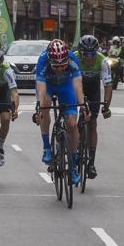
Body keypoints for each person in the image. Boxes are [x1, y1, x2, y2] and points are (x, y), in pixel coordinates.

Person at [35, 39, 89, 185]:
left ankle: (72, 167)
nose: (59, 68)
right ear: (50, 60)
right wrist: (40, 108)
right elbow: (41, 89)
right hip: (48, 86)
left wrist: (83, 105)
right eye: (56, 66)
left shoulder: (72, 59)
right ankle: (47, 148)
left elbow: (78, 87)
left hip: (66, 87)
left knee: (72, 124)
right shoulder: (42, 60)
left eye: (62, 65)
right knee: (45, 105)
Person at [74, 35, 113, 179]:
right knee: (73, 120)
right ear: (81, 52)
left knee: (92, 124)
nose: (89, 57)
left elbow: (108, 85)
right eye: (86, 54)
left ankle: (91, 162)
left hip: (93, 90)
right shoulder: (74, 58)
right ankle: (73, 147)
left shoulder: (102, 61)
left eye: (92, 53)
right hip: (77, 86)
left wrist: (106, 106)